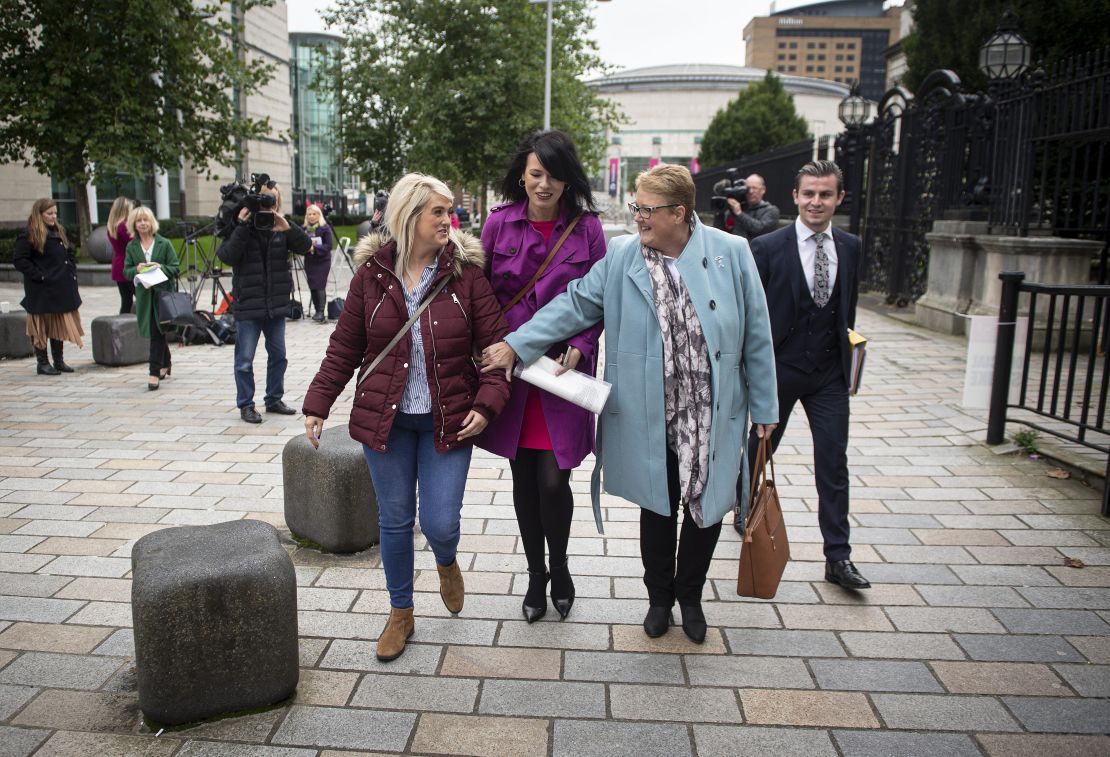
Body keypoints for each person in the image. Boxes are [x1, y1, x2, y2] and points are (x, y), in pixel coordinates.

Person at [483, 165, 778, 644]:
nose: (637, 216)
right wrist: (518, 343)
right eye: (636, 207)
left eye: (646, 209)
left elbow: (757, 338)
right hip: (650, 411)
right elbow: (574, 304)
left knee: (707, 507)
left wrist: (765, 409)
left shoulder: (732, 253)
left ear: (679, 213)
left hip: (711, 411)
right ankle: (659, 599)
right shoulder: (625, 257)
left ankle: (691, 596)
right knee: (657, 506)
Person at [302, 173, 510, 662]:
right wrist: (317, 403)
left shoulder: (466, 276)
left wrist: (486, 405)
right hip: (387, 421)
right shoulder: (371, 275)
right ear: (409, 216)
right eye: (437, 211)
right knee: (394, 521)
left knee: (440, 522)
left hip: (449, 419)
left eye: (448, 211)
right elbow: (344, 348)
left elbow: (497, 352)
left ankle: (446, 559)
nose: (448, 220)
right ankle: (401, 613)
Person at [478, 129, 606, 623]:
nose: (544, 185)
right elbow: (483, 296)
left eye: (553, 175)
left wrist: (582, 343)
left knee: (555, 480)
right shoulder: (498, 224)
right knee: (524, 479)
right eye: (535, 174)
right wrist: (493, 349)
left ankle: (562, 565)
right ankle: (536, 574)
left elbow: (599, 298)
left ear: (567, 179)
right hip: (514, 373)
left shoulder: (588, 229)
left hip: (562, 372)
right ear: (522, 176)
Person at [743, 160, 869, 590]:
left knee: (833, 463)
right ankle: (741, 509)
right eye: (809, 194)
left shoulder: (850, 247)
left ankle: (838, 557)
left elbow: (845, 311)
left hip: (828, 375)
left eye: (826, 194)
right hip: (778, 371)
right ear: (795, 197)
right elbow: (751, 318)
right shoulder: (766, 247)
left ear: (839, 199)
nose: (817, 202)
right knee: (757, 452)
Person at [216, 181, 311, 423]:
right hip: (248, 305)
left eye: (274, 201)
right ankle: (246, 405)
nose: (270, 205)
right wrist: (243, 226)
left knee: (279, 356)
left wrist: (287, 227)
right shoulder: (241, 226)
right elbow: (227, 256)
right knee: (244, 360)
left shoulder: (280, 226)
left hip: (275, 306)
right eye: (266, 199)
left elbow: (306, 246)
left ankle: (273, 398)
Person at [12, 199, 83, 376]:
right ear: (40, 213)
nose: (53, 217)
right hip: (41, 288)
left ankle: (58, 361)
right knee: (40, 325)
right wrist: (41, 275)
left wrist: (71, 270)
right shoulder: (30, 233)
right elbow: (20, 260)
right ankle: (42, 363)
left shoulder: (58, 230)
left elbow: (70, 252)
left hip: (61, 285)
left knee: (58, 323)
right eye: (49, 213)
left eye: (55, 213)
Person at [123, 207, 180, 390]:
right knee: (156, 331)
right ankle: (166, 361)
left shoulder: (164, 243)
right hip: (144, 297)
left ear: (152, 222)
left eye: (145, 220)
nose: (142, 224)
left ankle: (153, 372)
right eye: (139, 221)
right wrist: (137, 269)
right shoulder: (131, 247)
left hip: (162, 296)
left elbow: (175, 267)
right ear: (134, 224)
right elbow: (126, 271)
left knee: (156, 332)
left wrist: (160, 267)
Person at [302, 204, 334, 323]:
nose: (311, 216)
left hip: (322, 261)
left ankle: (321, 312)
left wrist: (315, 247)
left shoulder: (325, 228)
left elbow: (329, 246)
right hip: (309, 261)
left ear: (319, 215)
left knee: (320, 285)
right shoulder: (303, 229)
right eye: (309, 214)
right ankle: (316, 311)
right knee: (312, 286)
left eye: (314, 214)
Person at [727, 174, 780, 241]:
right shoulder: (738, 208)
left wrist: (739, 213)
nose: (750, 191)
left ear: (763, 190)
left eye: (754, 188)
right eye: (748, 188)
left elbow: (760, 229)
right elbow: (726, 229)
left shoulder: (772, 210)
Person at [106, 197, 135, 314]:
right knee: (141, 297)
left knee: (126, 300)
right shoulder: (123, 226)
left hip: (118, 264)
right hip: (127, 264)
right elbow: (134, 243)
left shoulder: (112, 226)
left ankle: (123, 325)